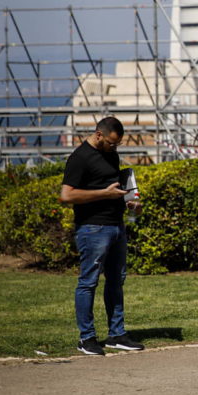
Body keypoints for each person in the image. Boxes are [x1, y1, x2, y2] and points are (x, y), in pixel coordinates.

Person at [59, 116, 146, 356]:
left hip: (116, 225)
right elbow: (66, 196)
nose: (114, 148)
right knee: (88, 282)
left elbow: (113, 187)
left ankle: (116, 334)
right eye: (110, 143)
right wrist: (103, 194)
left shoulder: (111, 154)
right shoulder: (80, 158)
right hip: (92, 228)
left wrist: (130, 202)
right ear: (98, 134)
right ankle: (86, 338)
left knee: (117, 279)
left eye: (117, 144)